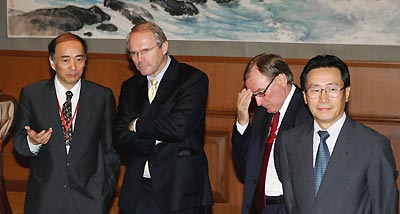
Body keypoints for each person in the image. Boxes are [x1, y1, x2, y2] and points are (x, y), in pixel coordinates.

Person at [12, 33, 120, 214]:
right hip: (45, 198)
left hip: (90, 198)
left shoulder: (102, 96)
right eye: (65, 60)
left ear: (86, 61)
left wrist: (105, 191)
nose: (73, 67)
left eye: (79, 59)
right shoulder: (32, 94)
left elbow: (110, 150)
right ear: (52, 62)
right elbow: (19, 142)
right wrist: (34, 143)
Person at [113, 21, 213, 214]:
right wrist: (155, 138)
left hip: (179, 189)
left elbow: (178, 127)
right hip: (138, 189)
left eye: (145, 51)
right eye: (133, 53)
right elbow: (119, 137)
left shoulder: (192, 79)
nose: (139, 59)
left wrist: (137, 125)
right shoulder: (130, 86)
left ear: (164, 46)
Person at [280, 54, 399, 214]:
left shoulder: (373, 146)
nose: (323, 98)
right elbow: (291, 202)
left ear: (347, 93)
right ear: (305, 97)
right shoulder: (290, 142)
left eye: (332, 89)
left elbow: (385, 208)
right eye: (315, 90)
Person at [232, 53, 313, 214]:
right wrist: (242, 122)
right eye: (254, 95)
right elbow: (245, 167)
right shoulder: (263, 114)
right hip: (259, 206)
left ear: (281, 79)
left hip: (289, 207)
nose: (258, 102)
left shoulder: (306, 111)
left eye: (261, 93)